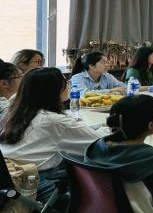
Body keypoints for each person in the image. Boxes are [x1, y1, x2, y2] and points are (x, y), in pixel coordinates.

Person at [0, 68, 107, 203]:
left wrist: (99, 126)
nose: (68, 87)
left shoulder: (15, 113)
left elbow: (70, 132)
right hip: (35, 183)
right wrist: (113, 130)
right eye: (65, 83)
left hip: (10, 177)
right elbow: (98, 143)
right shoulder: (54, 121)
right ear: (54, 90)